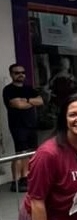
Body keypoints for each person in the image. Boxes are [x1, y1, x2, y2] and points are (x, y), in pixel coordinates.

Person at [4, 64, 44, 192]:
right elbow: (18, 105)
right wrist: (30, 102)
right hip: (18, 126)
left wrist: (25, 100)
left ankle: (26, 178)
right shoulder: (8, 90)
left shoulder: (29, 89)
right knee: (20, 154)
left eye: (22, 72)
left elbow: (40, 101)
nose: (20, 75)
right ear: (11, 74)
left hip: (31, 125)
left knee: (30, 153)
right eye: (17, 73)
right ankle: (15, 181)